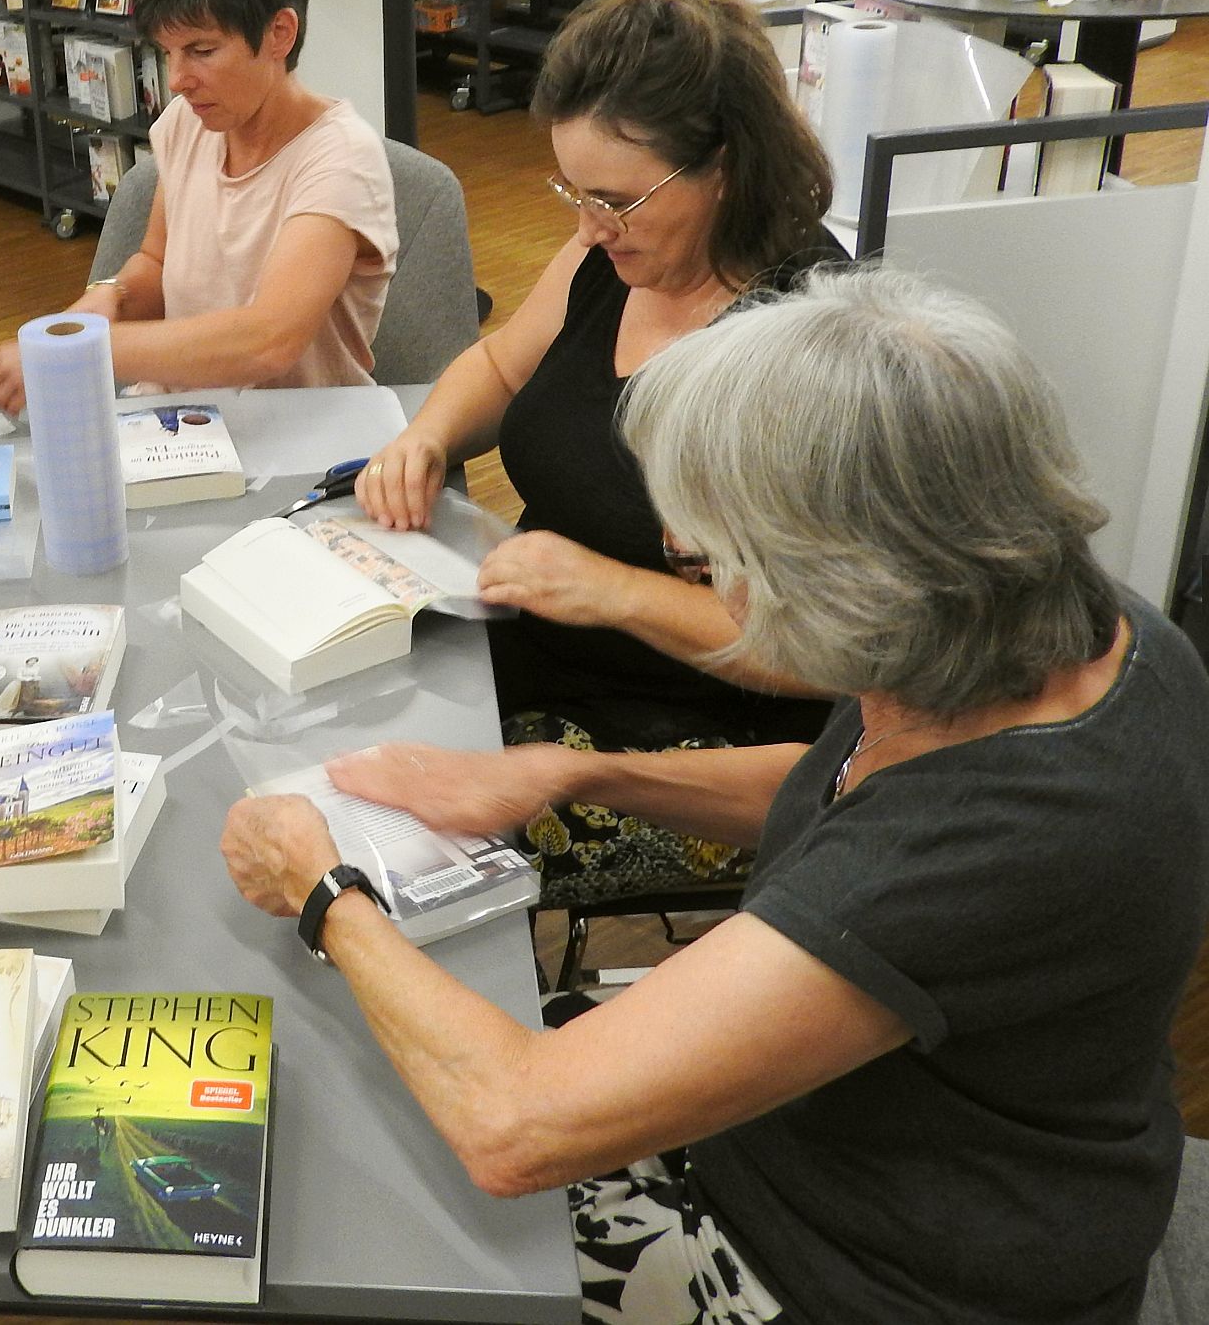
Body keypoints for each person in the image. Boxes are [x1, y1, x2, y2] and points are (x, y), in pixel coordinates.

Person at [225, 264, 1209, 1325]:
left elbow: (512, 1126)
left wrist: (326, 889)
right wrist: (578, 773)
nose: (692, 568)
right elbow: (841, 791)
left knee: (362, 1201)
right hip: (852, 1148)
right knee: (362, 1083)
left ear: (856, 580)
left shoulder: (990, 833)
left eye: (712, 560)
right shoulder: (1074, 631)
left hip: (861, 1271)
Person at [356, 0, 842, 906]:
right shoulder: (613, 258)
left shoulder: (808, 352)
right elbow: (502, 369)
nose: (587, 227)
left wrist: (609, 589)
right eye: (573, 193)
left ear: (725, 166)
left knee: (391, 845)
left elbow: (824, 650)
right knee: (336, 713)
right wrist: (425, 437)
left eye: (616, 200)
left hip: (707, 736)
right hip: (546, 643)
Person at [0, 0, 397, 414]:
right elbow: (156, 262)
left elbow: (268, 341)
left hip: (300, 437)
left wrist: (83, 349)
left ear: (280, 34)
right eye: (168, 52)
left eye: (201, 50)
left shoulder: (341, 160)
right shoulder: (188, 122)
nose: (177, 80)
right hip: (185, 422)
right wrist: (112, 297)